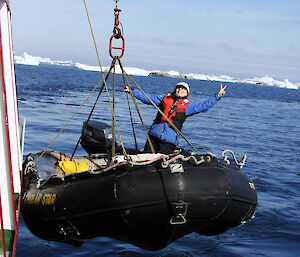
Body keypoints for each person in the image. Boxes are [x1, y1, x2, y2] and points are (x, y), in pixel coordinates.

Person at [124, 82, 227, 154]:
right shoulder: (164, 99)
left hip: (169, 140)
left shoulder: (188, 106)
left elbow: (204, 106)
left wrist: (217, 96)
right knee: (146, 156)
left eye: (183, 88)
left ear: (187, 93)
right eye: (178, 87)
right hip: (153, 135)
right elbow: (147, 97)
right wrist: (132, 91)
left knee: (162, 161)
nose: (180, 89)